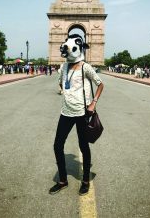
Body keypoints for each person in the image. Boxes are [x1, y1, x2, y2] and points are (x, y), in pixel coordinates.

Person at [49, 34, 104, 196]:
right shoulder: (63, 66)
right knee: (57, 145)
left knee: (83, 146)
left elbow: (100, 84)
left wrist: (93, 102)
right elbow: (60, 81)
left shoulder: (85, 67)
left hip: (81, 113)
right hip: (65, 112)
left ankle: (85, 180)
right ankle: (63, 180)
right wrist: (67, 92)